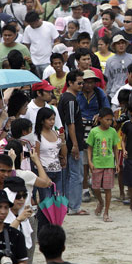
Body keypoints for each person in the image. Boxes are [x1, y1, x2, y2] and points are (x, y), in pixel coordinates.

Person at [58, 70, 88, 216]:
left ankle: (67, 205)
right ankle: (74, 206)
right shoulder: (70, 99)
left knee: (68, 175)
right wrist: (75, 145)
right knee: (76, 175)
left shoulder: (65, 97)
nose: (82, 85)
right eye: (79, 83)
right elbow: (70, 123)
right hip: (71, 143)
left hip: (66, 142)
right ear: (70, 83)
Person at [86, 108, 120, 223]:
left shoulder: (113, 131)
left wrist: (117, 162)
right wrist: (90, 161)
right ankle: (101, 201)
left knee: (107, 188)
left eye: (111, 120)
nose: (109, 122)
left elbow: (115, 147)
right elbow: (89, 147)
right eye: (107, 120)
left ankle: (106, 212)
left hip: (109, 164)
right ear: (100, 119)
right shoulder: (94, 131)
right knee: (95, 187)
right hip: (97, 163)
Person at [22, 11, 59, 77]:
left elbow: (57, 40)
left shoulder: (49, 26)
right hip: (34, 62)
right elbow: (26, 45)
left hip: (47, 61)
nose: (31, 26)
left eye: (32, 24)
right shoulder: (28, 29)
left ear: (37, 20)